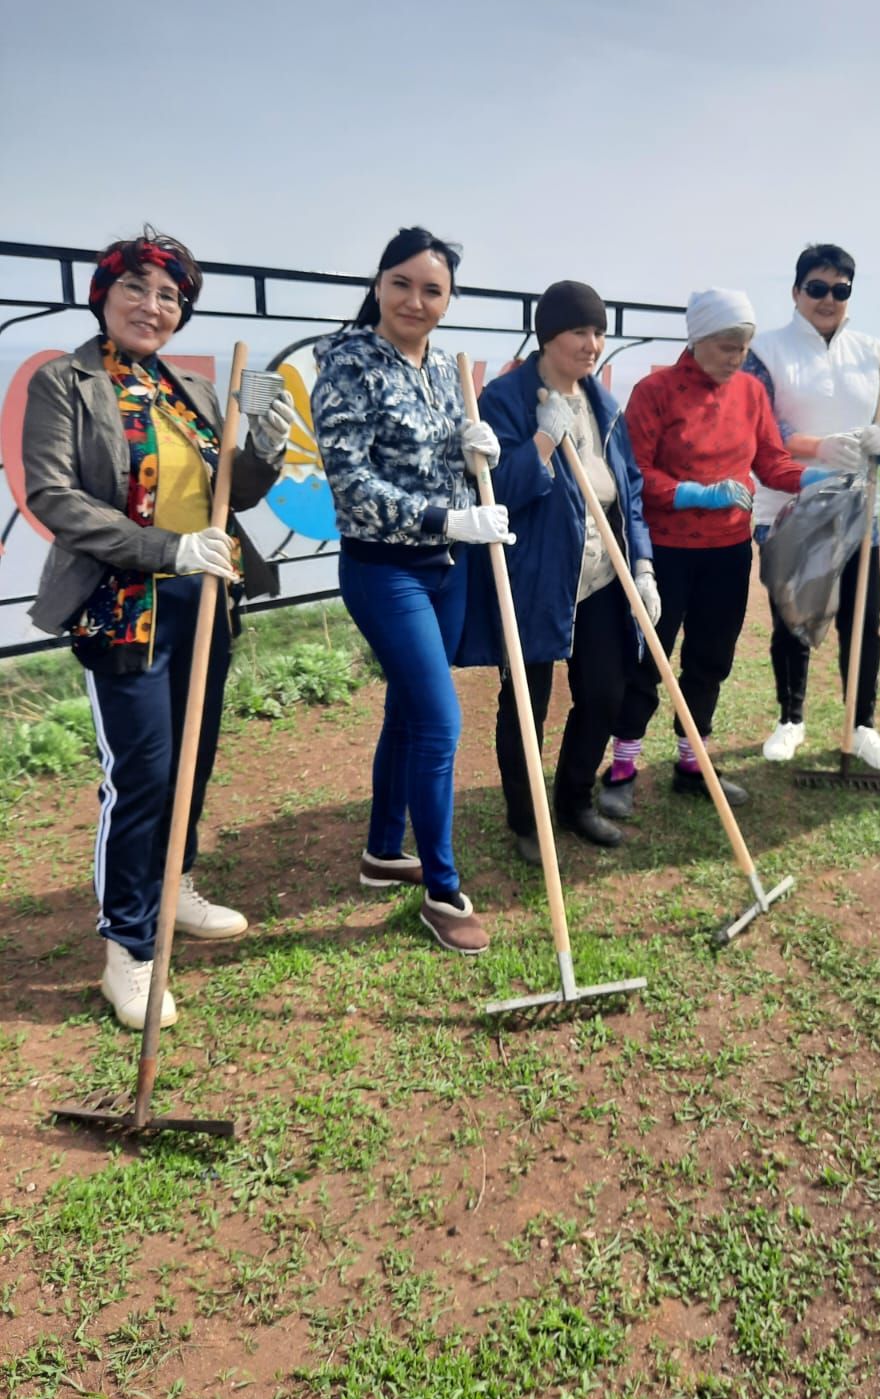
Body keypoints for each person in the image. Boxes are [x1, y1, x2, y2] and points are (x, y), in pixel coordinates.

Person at [22, 227, 293, 1029]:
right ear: (104, 295)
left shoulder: (192, 393)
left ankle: (174, 887)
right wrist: (166, 547)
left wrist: (264, 446)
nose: (153, 305)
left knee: (193, 763)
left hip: (203, 603)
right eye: (137, 287)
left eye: (170, 295)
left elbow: (229, 494)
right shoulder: (64, 383)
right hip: (122, 608)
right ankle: (129, 951)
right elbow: (54, 498)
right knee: (141, 775)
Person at [311, 227, 511, 954]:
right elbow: (352, 484)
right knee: (439, 722)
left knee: (407, 708)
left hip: (445, 568)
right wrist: (447, 514)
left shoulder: (439, 369)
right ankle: (442, 887)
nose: (415, 301)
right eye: (402, 284)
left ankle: (380, 851)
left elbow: (440, 458)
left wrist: (472, 453)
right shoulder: (349, 366)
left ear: (448, 299)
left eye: (433, 290)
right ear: (377, 284)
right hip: (383, 568)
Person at [458, 281, 658, 862]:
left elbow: (630, 492)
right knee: (525, 703)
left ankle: (574, 801)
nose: (593, 343)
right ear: (549, 335)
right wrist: (544, 438)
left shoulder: (604, 404)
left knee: (604, 692)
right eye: (580, 331)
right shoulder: (504, 401)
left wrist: (642, 564)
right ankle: (526, 818)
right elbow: (498, 493)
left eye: (598, 331)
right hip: (534, 578)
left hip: (600, 576)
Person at [597, 288, 803, 817]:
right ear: (698, 339)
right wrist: (690, 491)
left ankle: (693, 761)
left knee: (712, 656)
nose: (737, 357)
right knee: (649, 654)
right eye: (728, 345)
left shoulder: (752, 393)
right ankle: (622, 764)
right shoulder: (656, 391)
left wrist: (818, 479)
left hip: (728, 550)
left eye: (744, 346)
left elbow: (773, 463)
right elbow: (635, 472)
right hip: (666, 551)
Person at [745, 243, 880, 772]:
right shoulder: (767, 350)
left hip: (860, 511)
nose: (828, 299)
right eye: (816, 288)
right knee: (792, 618)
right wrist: (815, 446)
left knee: (863, 622)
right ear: (796, 292)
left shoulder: (871, 350)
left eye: (840, 290)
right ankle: (790, 719)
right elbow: (760, 423)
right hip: (788, 506)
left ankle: (861, 725)